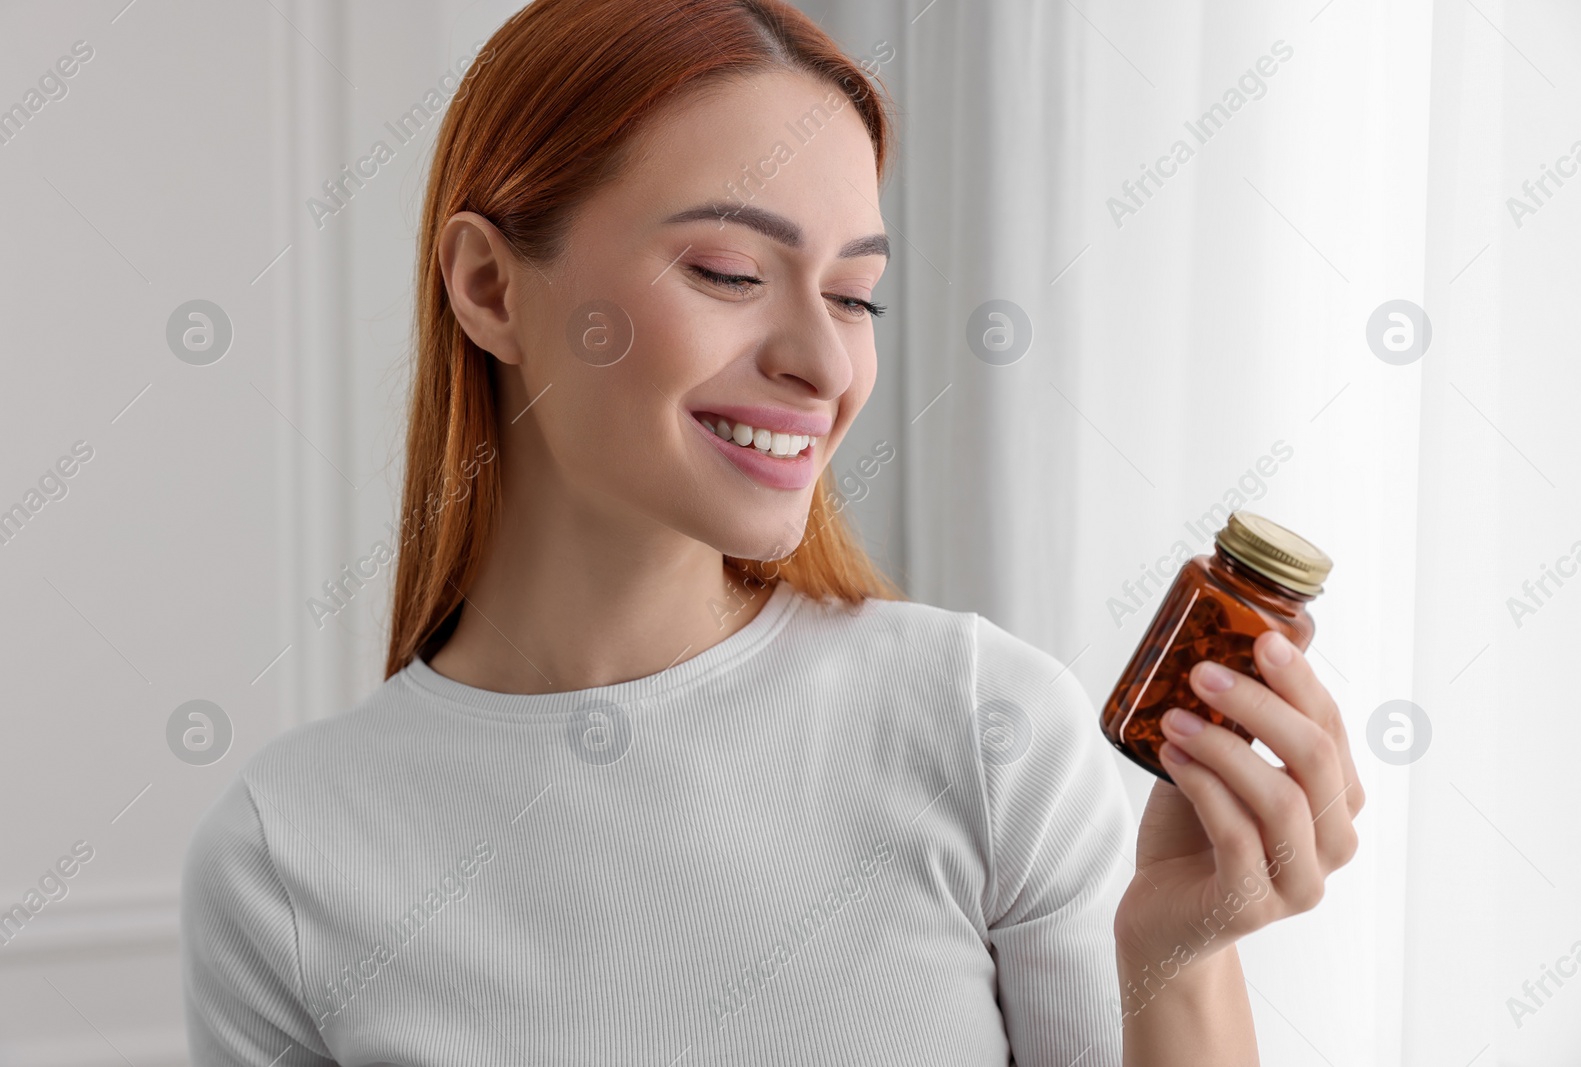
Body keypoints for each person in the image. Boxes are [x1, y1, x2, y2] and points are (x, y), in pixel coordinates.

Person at [179, 1, 1364, 1063]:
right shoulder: (289, 851)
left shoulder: (979, 726)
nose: (823, 361)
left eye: (855, 294)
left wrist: (1176, 952)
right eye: (729, 269)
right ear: (491, 288)